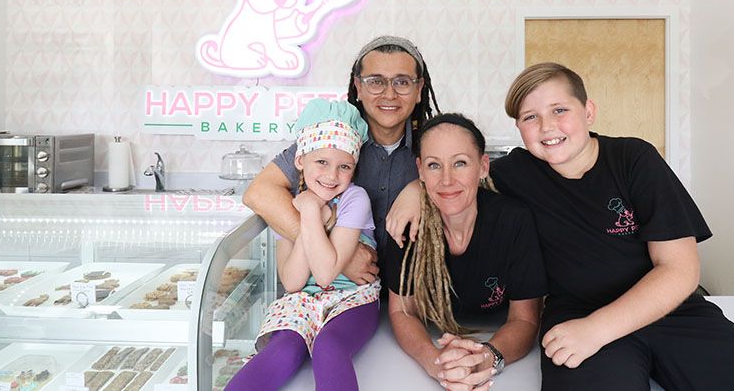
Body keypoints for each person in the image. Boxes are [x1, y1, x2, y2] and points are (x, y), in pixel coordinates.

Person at [489, 62, 734, 390]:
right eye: (530, 117)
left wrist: (596, 330)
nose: (547, 127)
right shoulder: (512, 174)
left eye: (559, 110)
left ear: (588, 111)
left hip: (671, 311)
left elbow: (680, 269)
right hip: (576, 314)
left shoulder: (634, 159)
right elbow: (447, 181)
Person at [244, 35, 440, 284]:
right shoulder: (330, 138)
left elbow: (473, 187)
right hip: (335, 295)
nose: (389, 94)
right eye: (376, 82)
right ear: (358, 87)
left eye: (402, 82)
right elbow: (259, 193)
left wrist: (419, 188)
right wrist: (338, 257)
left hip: (409, 299)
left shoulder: (435, 146)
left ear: (419, 89)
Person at [384, 113, 546, 391]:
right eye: (435, 165)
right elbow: (403, 312)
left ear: (483, 166)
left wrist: (485, 359)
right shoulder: (409, 223)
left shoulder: (513, 221)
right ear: (420, 170)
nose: (447, 180)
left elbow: (525, 318)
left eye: (460, 163)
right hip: (435, 344)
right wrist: (435, 362)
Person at [226, 99, 379, 391]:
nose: (332, 175)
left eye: (344, 166)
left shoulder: (354, 199)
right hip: (303, 302)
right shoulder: (293, 203)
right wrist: (308, 213)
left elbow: (325, 274)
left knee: (329, 347)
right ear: (300, 160)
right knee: (282, 349)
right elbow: (294, 281)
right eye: (321, 162)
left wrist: (309, 212)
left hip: (353, 300)